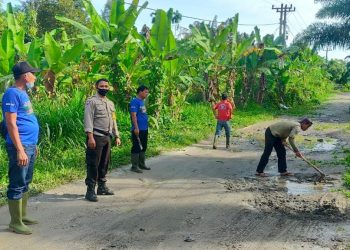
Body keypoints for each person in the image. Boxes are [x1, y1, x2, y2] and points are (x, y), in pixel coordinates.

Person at [2, 61, 40, 234]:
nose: (35, 77)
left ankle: (22, 216)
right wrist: (20, 149)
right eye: (33, 74)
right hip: (21, 145)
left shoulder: (23, 93)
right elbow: (11, 123)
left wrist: (33, 145)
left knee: (26, 181)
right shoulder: (11, 93)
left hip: (29, 145)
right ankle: (15, 222)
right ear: (25, 76)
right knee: (17, 183)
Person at [84, 79, 121, 202]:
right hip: (96, 136)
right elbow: (88, 119)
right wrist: (90, 137)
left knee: (104, 163)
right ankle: (90, 191)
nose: (104, 88)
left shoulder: (110, 103)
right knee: (93, 164)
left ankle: (102, 187)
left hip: (107, 137)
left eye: (106, 86)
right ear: (96, 87)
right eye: (102, 86)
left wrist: (117, 135)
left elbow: (113, 119)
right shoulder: (92, 102)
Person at [129, 85, 150, 173]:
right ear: (140, 92)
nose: (147, 94)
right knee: (137, 147)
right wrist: (136, 128)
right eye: (145, 92)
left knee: (143, 146)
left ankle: (142, 164)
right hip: (138, 129)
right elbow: (133, 115)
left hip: (144, 128)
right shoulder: (134, 102)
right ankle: (134, 166)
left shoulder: (142, 102)